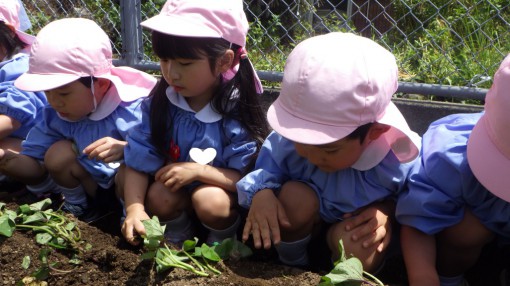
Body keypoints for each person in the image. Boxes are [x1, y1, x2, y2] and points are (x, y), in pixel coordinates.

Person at [237, 32, 421, 272]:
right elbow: (267, 168)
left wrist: (388, 212)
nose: (311, 156)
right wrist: (262, 194)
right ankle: (291, 268)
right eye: (301, 142)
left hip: (350, 228)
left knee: (362, 244)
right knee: (294, 198)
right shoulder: (287, 142)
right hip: (306, 221)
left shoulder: (397, 158)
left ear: (374, 132)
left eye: (328, 149)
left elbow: (415, 201)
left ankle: (347, 275)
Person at [118, 0, 269, 246]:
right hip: (175, 197)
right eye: (164, 60)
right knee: (158, 193)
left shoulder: (236, 112)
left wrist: (199, 171)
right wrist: (135, 209)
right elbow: (138, 157)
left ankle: (223, 242)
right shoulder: (160, 104)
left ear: (224, 61)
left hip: (221, 199)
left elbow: (244, 178)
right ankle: (178, 235)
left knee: (210, 200)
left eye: (185, 64)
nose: (171, 73)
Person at [0, 18, 156, 222]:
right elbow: (35, 165)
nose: (55, 102)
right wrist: (5, 158)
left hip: (136, 196)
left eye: (64, 94)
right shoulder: (54, 116)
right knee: (57, 153)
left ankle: (132, 222)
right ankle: (79, 209)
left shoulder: (133, 110)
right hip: (95, 188)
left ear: (99, 84)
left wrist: (127, 148)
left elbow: (159, 153)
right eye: (48, 92)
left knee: (131, 168)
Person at [396, 54, 510, 286]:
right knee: (467, 231)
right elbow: (419, 220)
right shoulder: (452, 156)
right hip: (474, 230)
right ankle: (451, 279)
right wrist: (424, 277)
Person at [0, 0, 47, 193]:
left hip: (34, 151)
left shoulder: (19, 67)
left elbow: (11, 120)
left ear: (9, 33)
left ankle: (42, 187)